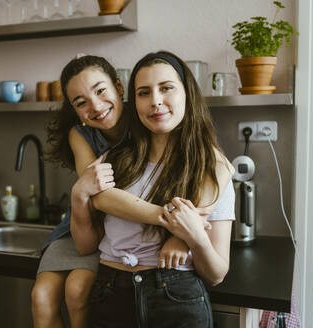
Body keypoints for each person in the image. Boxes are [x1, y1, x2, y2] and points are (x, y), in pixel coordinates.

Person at [32, 55, 221, 328]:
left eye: (100, 91)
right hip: (87, 217)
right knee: (41, 295)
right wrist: (173, 220)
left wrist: (185, 233)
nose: (95, 106)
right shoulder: (81, 134)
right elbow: (98, 195)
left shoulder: (147, 113)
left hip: (126, 229)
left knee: (77, 288)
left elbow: (218, 164)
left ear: (120, 88)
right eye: (81, 102)